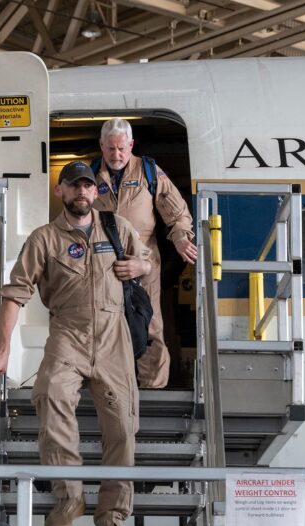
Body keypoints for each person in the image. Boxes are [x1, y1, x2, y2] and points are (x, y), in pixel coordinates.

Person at [0, 160, 151, 526]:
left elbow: (146, 262)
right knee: (50, 394)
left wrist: (140, 264)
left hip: (114, 336)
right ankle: (69, 497)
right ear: (60, 191)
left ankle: (111, 522)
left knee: (123, 428)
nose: (81, 192)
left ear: (96, 192)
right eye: (73, 186)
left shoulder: (118, 228)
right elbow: (14, 294)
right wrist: (2, 349)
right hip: (68, 331)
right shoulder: (44, 238)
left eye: (87, 186)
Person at [92, 117, 198, 389]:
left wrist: (180, 239)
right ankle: (111, 387)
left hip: (144, 260)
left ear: (131, 145)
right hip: (103, 262)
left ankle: (153, 388)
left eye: (122, 148)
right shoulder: (90, 174)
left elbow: (177, 212)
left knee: (149, 325)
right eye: (111, 149)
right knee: (105, 324)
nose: (117, 155)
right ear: (101, 145)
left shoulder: (148, 171)